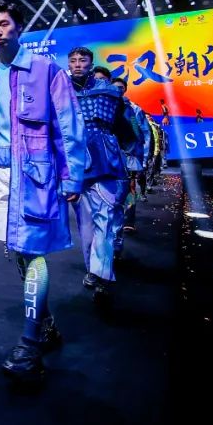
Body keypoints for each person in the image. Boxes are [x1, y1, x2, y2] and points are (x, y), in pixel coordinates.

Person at [0, 3, 86, 384]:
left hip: (35, 175)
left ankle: (30, 344)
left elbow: (69, 125)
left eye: (4, 24)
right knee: (16, 248)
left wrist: (72, 177)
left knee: (31, 250)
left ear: (19, 27)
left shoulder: (46, 70)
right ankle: (45, 324)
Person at [67, 51, 140, 305]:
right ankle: (93, 270)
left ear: (91, 64)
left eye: (82, 61)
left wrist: (134, 157)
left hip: (105, 162)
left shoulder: (108, 92)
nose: (78, 65)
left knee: (105, 221)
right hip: (75, 164)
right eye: (73, 61)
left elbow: (124, 127)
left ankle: (103, 276)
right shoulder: (61, 91)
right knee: (85, 225)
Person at [110, 77, 151, 250]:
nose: (118, 90)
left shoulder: (134, 109)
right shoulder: (105, 105)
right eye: (115, 87)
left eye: (121, 87)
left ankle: (129, 220)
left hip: (128, 157)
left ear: (125, 89)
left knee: (129, 189)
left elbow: (141, 134)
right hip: (108, 157)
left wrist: (142, 159)